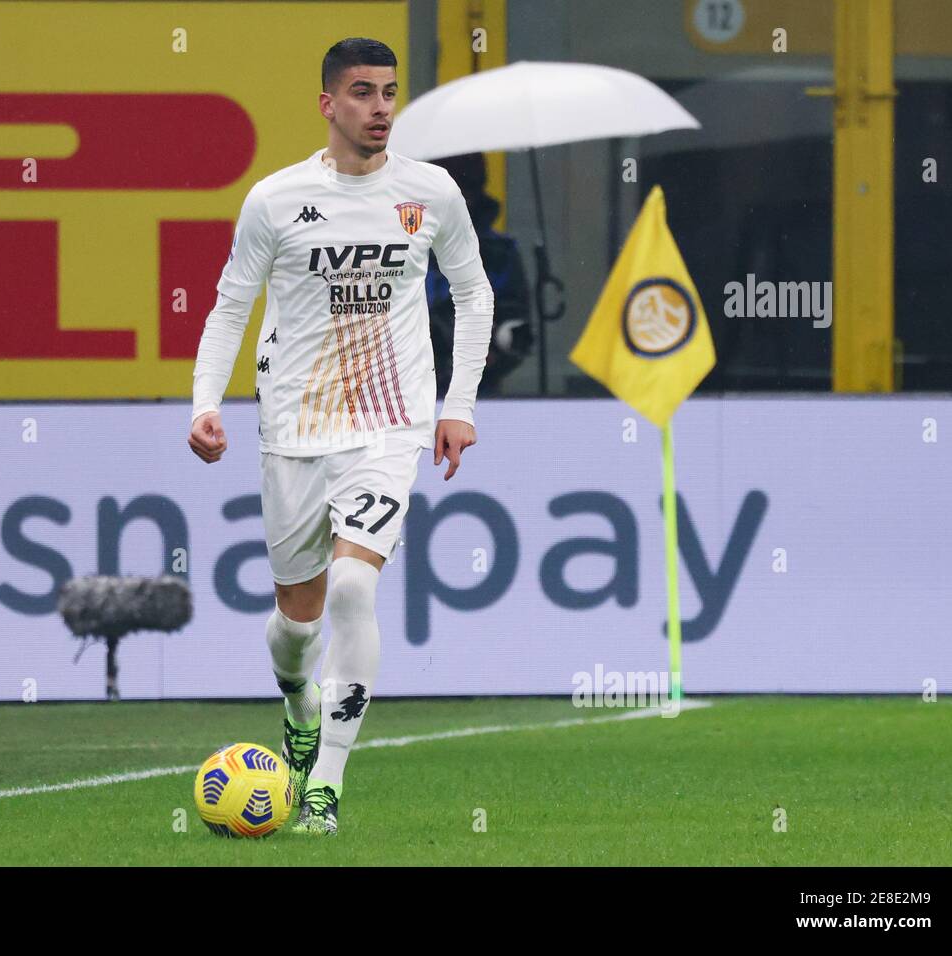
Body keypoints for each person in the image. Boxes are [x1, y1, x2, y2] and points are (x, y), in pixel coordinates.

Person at [187, 37, 494, 835]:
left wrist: (458, 403)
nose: (380, 107)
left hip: (391, 423)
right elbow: (229, 307)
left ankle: (323, 784)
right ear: (328, 104)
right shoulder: (276, 199)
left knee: (357, 586)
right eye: (362, 93)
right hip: (292, 426)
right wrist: (203, 402)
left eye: (390, 92)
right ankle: (297, 704)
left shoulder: (429, 192)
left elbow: (473, 291)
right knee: (298, 624)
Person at [425, 153, 533, 398]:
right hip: (407, 394)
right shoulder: (406, 246)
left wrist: (491, 357)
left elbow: (517, 329)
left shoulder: (499, 252)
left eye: (465, 190)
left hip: (478, 395)